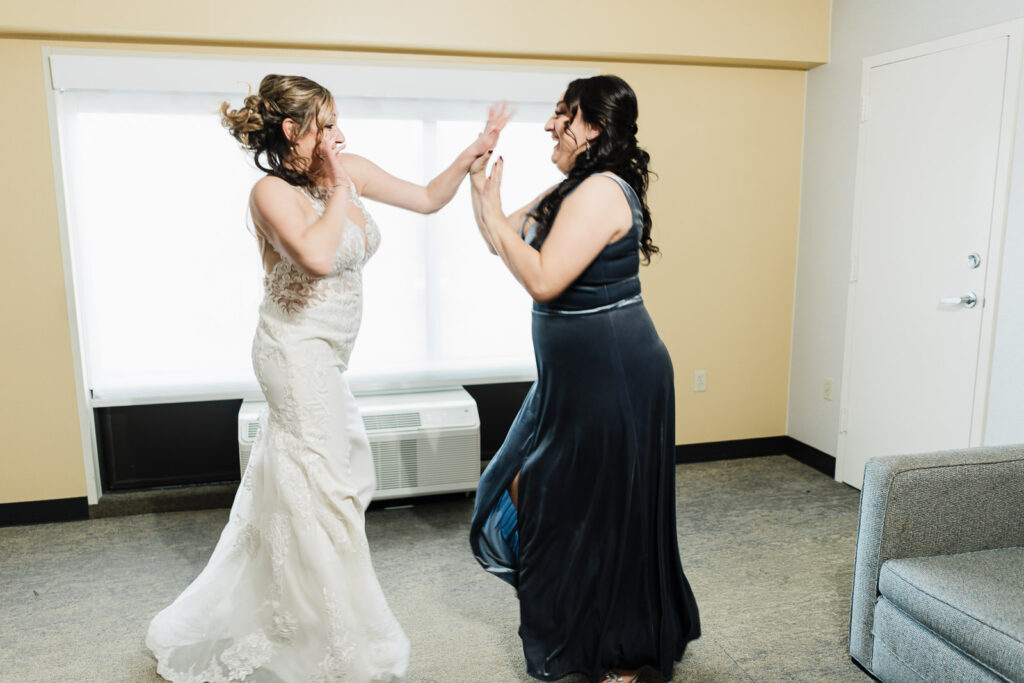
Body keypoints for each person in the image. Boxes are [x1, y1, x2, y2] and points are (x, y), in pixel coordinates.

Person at [146, 74, 510, 682]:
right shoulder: (269, 193)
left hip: (327, 355)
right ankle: (331, 634)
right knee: (331, 490)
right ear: (295, 131)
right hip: (292, 352)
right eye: (329, 124)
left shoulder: (345, 170)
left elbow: (425, 196)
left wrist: (473, 149)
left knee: (306, 486)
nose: (341, 136)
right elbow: (316, 257)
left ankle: (294, 610)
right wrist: (341, 187)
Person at [468, 74, 701, 683]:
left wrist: (493, 213)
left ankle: (620, 652)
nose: (549, 125)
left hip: (615, 376)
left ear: (593, 127)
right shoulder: (573, 187)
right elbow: (500, 241)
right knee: (527, 482)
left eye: (561, 115)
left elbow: (542, 278)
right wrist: (480, 188)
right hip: (573, 378)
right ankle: (589, 627)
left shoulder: (600, 192)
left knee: (602, 510)